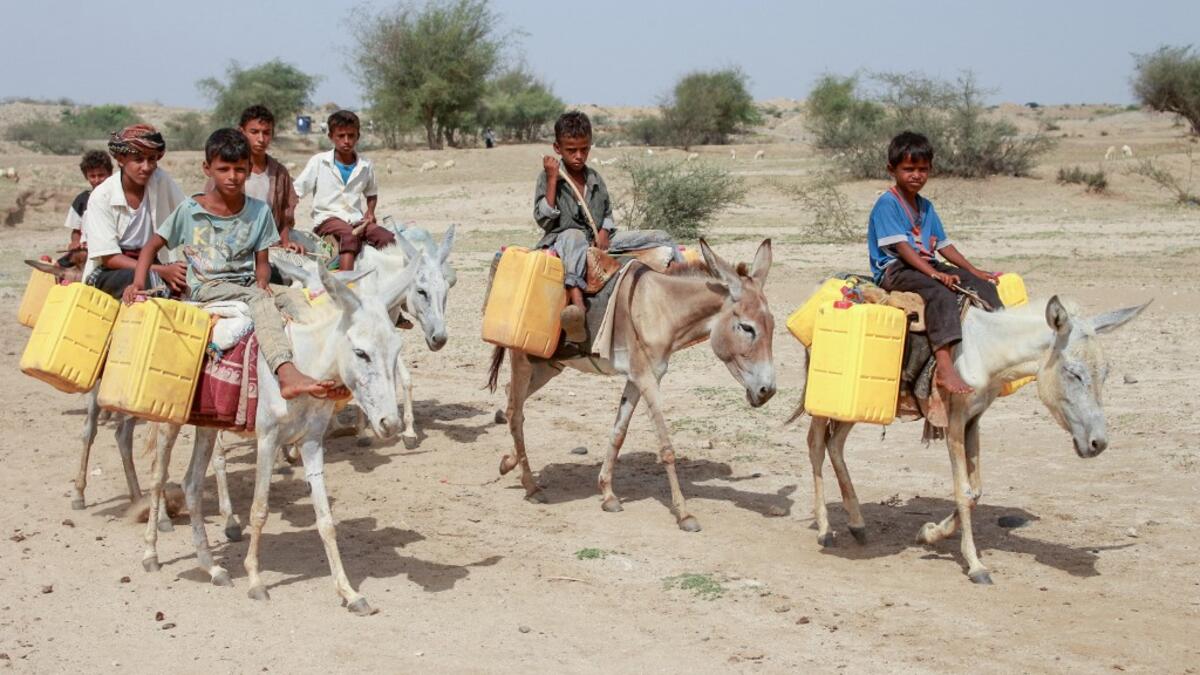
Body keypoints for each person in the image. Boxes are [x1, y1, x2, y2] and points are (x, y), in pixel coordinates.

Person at [123, 128, 340, 400]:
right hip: (207, 286)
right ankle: (286, 372)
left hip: (246, 282)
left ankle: (325, 369)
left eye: (239, 169)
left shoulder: (259, 211)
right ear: (207, 169)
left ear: (249, 169)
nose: (232, 177)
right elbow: (150, 246)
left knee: (302, 300)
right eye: (223, 169)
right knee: (260, 301)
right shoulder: (191, 210)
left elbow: (262, 261)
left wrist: (263, 281)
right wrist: (138, 283)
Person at [868, 131, 1003, 395]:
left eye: (923, 169)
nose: (916, 175)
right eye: (909, 169)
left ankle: (999, 348)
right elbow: (903, 249)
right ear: (891, 169)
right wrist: (934, 274)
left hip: (926, 264)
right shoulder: (887, 204)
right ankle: (944, 366)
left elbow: (944, 246)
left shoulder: (926, 206)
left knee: (982, 287)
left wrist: (974, 271)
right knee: (940, 294)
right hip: (896, 269)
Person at [533, 110, 680, 342]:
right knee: (574, 237)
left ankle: (682, 283)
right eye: (571, 150)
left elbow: (607, 212)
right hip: (564, 239)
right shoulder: (549, 177)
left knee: (660, 236)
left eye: (584, 149)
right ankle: (578, 306)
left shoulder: (594, 178)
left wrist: (604, 231)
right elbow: (544, 218)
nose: (579, 156)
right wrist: (552, 179)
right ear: (557, 148)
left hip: (599, 238)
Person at [81, 124, 187, 299]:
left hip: (153, 262)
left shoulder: (161, 181)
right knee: (147, 281)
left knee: (189, 278)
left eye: (152, 159)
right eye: (138, 160)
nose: (146, 167)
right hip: (112, 270)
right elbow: (109, 258)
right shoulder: (101, 196)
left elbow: (187, 214)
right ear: (120, 159)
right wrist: (162, 270)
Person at [293, 109, 393, 270]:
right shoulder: (319, 162)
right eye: (341, 136)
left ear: (357, 137)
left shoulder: (366, 165)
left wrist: (371, 212)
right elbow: (296, 191)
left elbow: (371, 193)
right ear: (331, 137)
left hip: (356, 219)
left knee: (386, 237)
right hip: (327, 219)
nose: (346, 141)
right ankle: (347, 282)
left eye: (351, 136)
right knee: (350, 236)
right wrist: (286, 216)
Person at [206, 105, 303, 254]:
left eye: (266, 133)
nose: (261, 139)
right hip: (230, 246)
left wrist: (285, 242)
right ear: (241, 132)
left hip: (269, 246)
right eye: (254, 132)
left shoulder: (279, 173)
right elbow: (210, 211)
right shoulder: (227, 171)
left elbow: (285, 217)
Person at [58, 150, 113, 268]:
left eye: (101, 175)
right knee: (55, 267)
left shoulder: (116, 198)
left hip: (109, 251)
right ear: (86, 176)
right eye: (92, 176)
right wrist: (75, 242)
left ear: (110, 173)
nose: (97, 180)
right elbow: (76, 230)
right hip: (84, 251)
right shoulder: (81, 200)